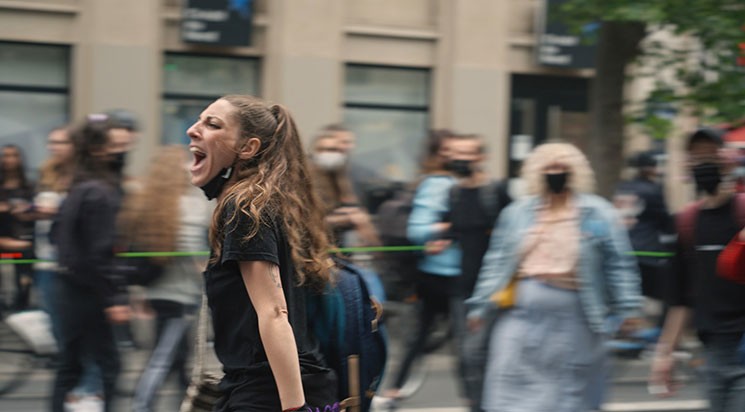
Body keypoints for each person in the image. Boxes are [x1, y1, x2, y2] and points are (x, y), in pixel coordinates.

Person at [186, 94, 339, 411]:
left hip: (269, 391)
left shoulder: (244, 209)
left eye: (212, 124)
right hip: (273, 383)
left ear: (248, 148)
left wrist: (294, 408)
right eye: (199, 120)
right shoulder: (267, 204)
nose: (193, 130)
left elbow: (274, 313)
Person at [466, 142, 642, 412]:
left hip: (576, 320)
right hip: (520, 317)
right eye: (549, 167)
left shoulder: (598, 212)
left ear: (576, 172)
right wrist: (479, 304)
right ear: (536, 172)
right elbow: (496, 260)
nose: (556, 172)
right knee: (507, 385)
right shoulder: (517, 213)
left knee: (567, 394)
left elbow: (618, 263)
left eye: (562, 167)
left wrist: (628, 308)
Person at [650, 128, 745, 412]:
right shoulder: (686, 223)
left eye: (711, 155)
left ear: (727, 160)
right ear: (688, 165)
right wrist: (665, 354)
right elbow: (681, 299)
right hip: (713, 349)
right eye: (697, 157)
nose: (704, 163)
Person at [50, 114, 134, 412]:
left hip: (69, 286)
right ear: (99, 150)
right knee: (110, 364)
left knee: (69, 365)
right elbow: (103, 252)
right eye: (112, 145)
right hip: (90, 292)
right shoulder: (100, 192)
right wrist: (115, 298)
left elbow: (55, 233)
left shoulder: (77, 187)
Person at [121, 146, 210, 412]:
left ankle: (189, 404)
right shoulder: (191, 204)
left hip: (157, 291)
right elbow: (194, 249)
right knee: (162, 357)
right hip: (182, 293)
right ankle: (142, 406)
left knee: (177, 357)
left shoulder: (148, 203)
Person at [382, 129, 465, 404]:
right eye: (447, 151)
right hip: (439, 275)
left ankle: (394, 390)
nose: (454, 156)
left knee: (426, 336)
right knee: (455, 342)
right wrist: (448, 229)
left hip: (453, 273)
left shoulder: (462, 182)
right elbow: (419, 230)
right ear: (437, 155)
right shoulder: (438, 184)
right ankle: (475, 399)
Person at [447, 134, 511, 412]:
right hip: (461, 285)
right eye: (456, 153)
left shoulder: (496, 192)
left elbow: (512, 235)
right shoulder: (455, 192)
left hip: (493, 286)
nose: (461, 159)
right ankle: (476, 404)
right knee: (464, 356)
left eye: (468, 154)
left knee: (480, 353)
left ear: (481, 157)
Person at [614, 151, 674, 321]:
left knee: (627, 294)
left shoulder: (622, 187)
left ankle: (627, 330)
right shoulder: (653, 190)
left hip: (623, 249)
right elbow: (665, 221)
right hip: (646, 252)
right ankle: (659, 333)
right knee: (667, 292)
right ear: (649, 169)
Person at [308, 131, 379, 248]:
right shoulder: (305, 176)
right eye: (325, 149)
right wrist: (345, 218)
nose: (330, 154)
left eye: (336, 150)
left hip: (336, 245)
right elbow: (305, 222)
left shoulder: (340, 175)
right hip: (313, 246)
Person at [0, 144, 36, 309]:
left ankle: (21, 307)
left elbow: (36, 210)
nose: (10, 160)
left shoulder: (28, 186)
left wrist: (26, 209)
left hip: (22, 239)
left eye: (14, 155)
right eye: (6, 155)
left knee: (23, 281)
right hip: (2, 238)